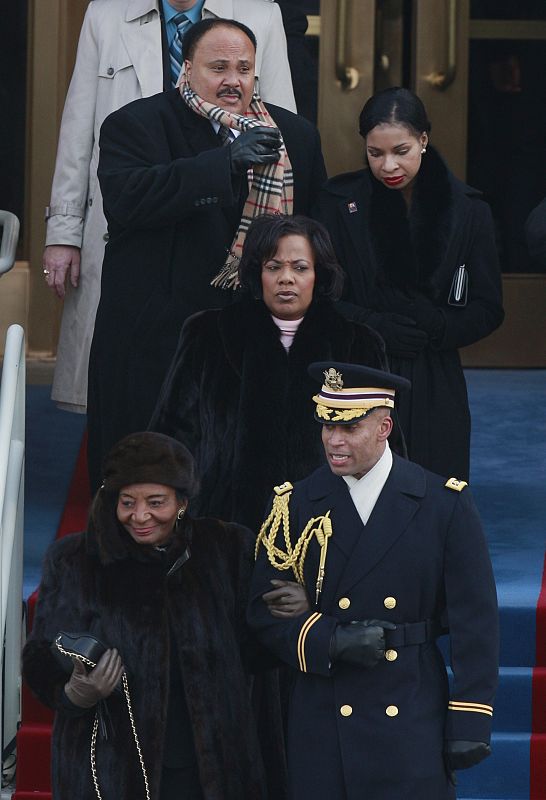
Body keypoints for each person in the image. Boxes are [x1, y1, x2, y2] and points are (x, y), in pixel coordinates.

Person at [87, 17, 325, 493]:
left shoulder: (293, 135)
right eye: (218, 67)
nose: (232, 81)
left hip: (250, 335)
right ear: (187, 65)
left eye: (244, 68)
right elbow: (127, 200)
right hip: (155, 337)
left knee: (241, 477)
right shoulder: (134, 124)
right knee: (146, 477)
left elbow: (315, 234)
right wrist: (224, 163)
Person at [248, 362, 499, 799]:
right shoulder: (296, 504)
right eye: (326, 426)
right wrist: (327, 639)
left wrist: (471, 715)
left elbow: (475, 620)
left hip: (411, 707)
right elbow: (263, 612)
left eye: (349, 428)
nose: (333, 440)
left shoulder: (442, 503)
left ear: (384, 427)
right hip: (323, 713)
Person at [23, 431, 309, 799]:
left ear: (183, 502)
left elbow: (258, 650)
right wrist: (75, 692)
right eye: (127, 502)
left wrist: (295, 611)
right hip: (113, 770)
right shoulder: (76, 560)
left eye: (156, 502)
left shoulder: (227, 549)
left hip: (212, 765)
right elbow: (40, 655)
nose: (140, 516)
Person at [42, 0, 296, 415]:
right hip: (133, 215)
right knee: (132, 389)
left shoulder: (261, 15)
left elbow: (283, 125)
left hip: (228, 217)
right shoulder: (105, 16)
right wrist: (64, 232)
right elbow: (78, 127)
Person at [150, 214, 390, 531]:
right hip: (222, 523)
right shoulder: (207, 333)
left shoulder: (359, 344)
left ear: (319, 275)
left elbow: (385, 444)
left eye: (300, 267)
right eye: (273, 267)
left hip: (330, 526)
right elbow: (172, 432)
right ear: (256, 273)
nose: (285, 278)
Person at [314, 87, 504, 480]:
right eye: (375, 153)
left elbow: (488, 307)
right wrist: (372, 324)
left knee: (435, 489)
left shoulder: (469, 211)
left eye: (400, 151)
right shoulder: (338, 202)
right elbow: (320, 297)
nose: (388, 166)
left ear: (423, 140)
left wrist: (439, 327)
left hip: (434, 373)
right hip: (358, 368)